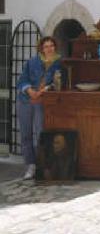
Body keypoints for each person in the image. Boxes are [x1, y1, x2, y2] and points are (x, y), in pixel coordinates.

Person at [16, 36, 63, 180]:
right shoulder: (32, 62)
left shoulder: (59, 63)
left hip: (41, 102)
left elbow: (59, 82)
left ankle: (41, 165)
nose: (49, 49)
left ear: (55, 47)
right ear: (41, 49)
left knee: (40, 135)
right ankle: (30, 166)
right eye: (46, 46)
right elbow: (22, 81)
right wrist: (30, 90)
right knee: (25, 135)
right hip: (25, 101)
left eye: (51, 46)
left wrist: (45, 89)